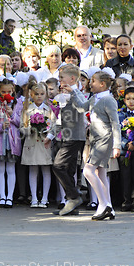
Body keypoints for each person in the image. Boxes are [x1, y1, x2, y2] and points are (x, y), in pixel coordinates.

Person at [65, 70, 121, 220]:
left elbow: (116, 123)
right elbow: (82, 107)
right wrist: (74, 91)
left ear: (102, 84)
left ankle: (103, 204)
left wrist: (117, 145)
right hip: (95, 139)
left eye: (93, 81)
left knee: (88, 171)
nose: (90, 84)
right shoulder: (94, 98)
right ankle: (108, 205)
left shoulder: (108, 100)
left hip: (104, 139)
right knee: (100, 173)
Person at [49, 64, 87, 216]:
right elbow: (60, 116)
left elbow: (83, 107)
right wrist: (51, 135)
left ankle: (74, 197)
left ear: (72, 79)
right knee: (69, 170)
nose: (59, 81)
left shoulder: (76, 92)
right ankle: (72, 205)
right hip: (66, 135)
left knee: (58, 166)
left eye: (61, 78)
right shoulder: (64, 93)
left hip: (75, 136)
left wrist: (74, 91)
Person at [21, 81, 56, 208]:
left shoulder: (49, 109)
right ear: (31, 94)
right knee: (33, 169)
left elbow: (55, 125)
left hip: (45, 142)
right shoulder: (27, 109)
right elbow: (22, 127)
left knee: (46, 169)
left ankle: (45, 198)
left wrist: (49, 133)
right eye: (36, 94)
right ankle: (34, 198)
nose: (39, 96)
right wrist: (30, 129)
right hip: (32, 142)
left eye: (42, 94)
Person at [0, 76, 22, 208]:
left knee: (11, 168)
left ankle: (10, 196)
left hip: (12, 139)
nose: (6, 94)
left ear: (13, 91)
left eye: (9, 92)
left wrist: (12, 114)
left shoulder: (18, 103)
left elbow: (21, 122)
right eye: (3, 92)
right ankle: (2, 196)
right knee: (0, 168)